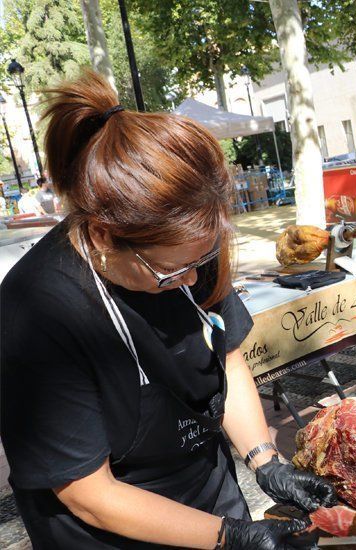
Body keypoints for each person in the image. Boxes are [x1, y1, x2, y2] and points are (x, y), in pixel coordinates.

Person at [0, 71, 337, 549]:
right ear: (101, 237)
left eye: (205, 259)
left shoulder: (189, 244)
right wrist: (231, 538)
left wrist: (266, 461)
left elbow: (225, 356)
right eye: (172, 272)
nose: (195, 280)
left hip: (207, 490)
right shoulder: (37, 311)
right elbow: (89, 494)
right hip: (109, 528)